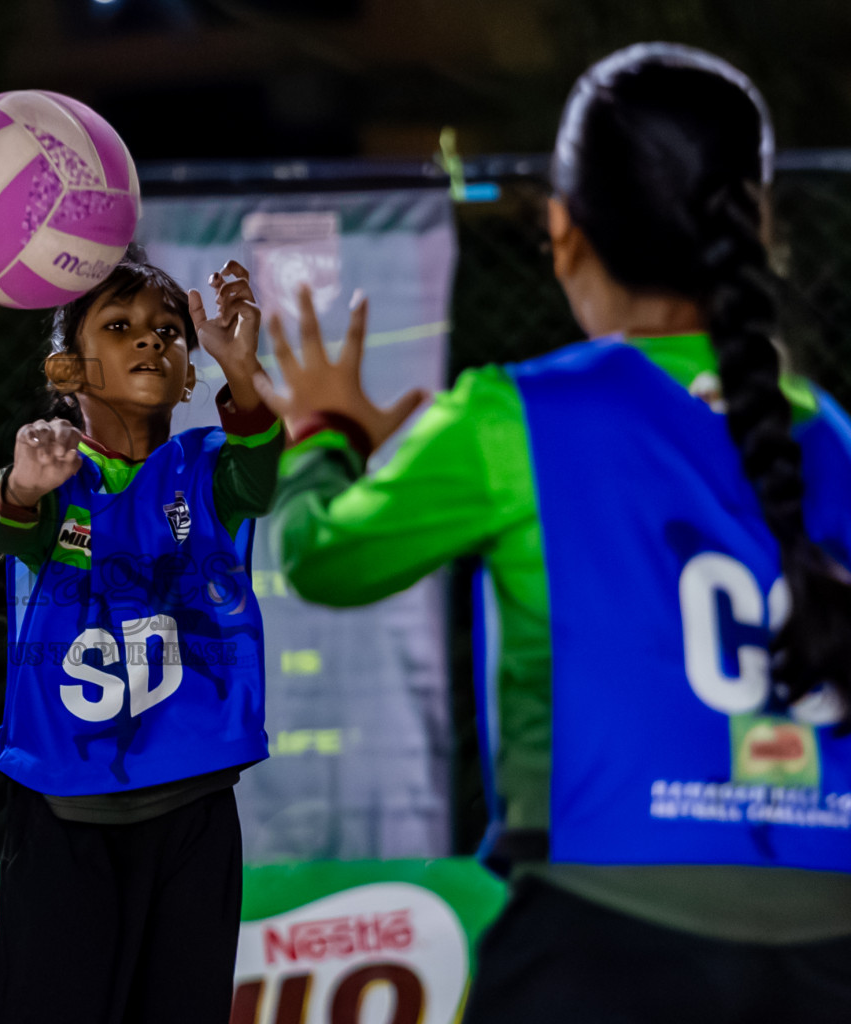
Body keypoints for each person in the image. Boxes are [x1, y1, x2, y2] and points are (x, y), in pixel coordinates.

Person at [253, 43, 851, 1022]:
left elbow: (325, 557)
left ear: (565, 231)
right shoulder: (833, 433)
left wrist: (325, 435)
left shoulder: (512, 416)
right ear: (760, 221)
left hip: (609, 928)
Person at [0, 248, 282, 1024]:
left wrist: (239, 371)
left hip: (193, 805)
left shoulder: (207, 468)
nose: (152, 340)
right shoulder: (50, 470)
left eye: (170, 331)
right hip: (64, 811)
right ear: (70, 372)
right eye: (120, 327)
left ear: (188, 376)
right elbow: (7, 524)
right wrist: (21, 486)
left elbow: (261, 469)